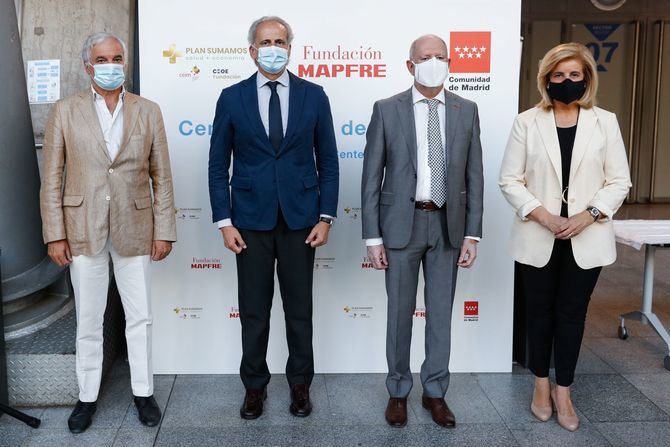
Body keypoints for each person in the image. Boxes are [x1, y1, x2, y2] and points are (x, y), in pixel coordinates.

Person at [40, 32, 176, 433]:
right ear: (87, 66)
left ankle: (143, 392)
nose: (111, 64)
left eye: (117, 57)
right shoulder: (65, 111)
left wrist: (164, 229)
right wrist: (54, 234)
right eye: (102, 59)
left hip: (136, 226)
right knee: (88, 318)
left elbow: (162, 176)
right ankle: (86, 398)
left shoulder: (148, 110)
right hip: (81, 229)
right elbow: (52, 180)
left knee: (141, 317)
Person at [208, 16, 339, 420]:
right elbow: (217, 166)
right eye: (266, 41)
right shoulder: (232, 98)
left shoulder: (314, 96)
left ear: (290, 47)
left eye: (280, 41)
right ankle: (254, 388)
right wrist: (224, 222)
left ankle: (300, 386)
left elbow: (329, 162)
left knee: (299, 310)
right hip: (249, 222)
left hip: (302, 221)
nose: (273, 47)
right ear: (251, 50)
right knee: (254, 311)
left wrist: (326, 217)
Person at [499, 42, 631, 432]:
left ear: (586, 79)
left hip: (586, 237)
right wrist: (545, 216)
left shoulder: (605, 122)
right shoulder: (527, 121)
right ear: (547, 79)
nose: (566, 81)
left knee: (571, 316)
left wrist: (587, 216)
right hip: (538, 235)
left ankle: (564, 390)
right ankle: (541, 385)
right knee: (538, 314)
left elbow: (619, 181)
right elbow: (510, 179)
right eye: (558, 75)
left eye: (575, 75)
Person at [361, 34, 483, 429]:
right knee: (398, 314)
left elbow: (474, 176)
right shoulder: (386, 109)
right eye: (425, 57)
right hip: (401, 225)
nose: (434, 62)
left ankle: (435, 392)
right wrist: (372, 237)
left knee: (441, 316)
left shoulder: (467, 109)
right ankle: (398, 391)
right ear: (410, 65)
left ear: (451, 63)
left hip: (448, 225)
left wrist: (473, 233)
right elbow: (370, 178)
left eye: (440, 57)